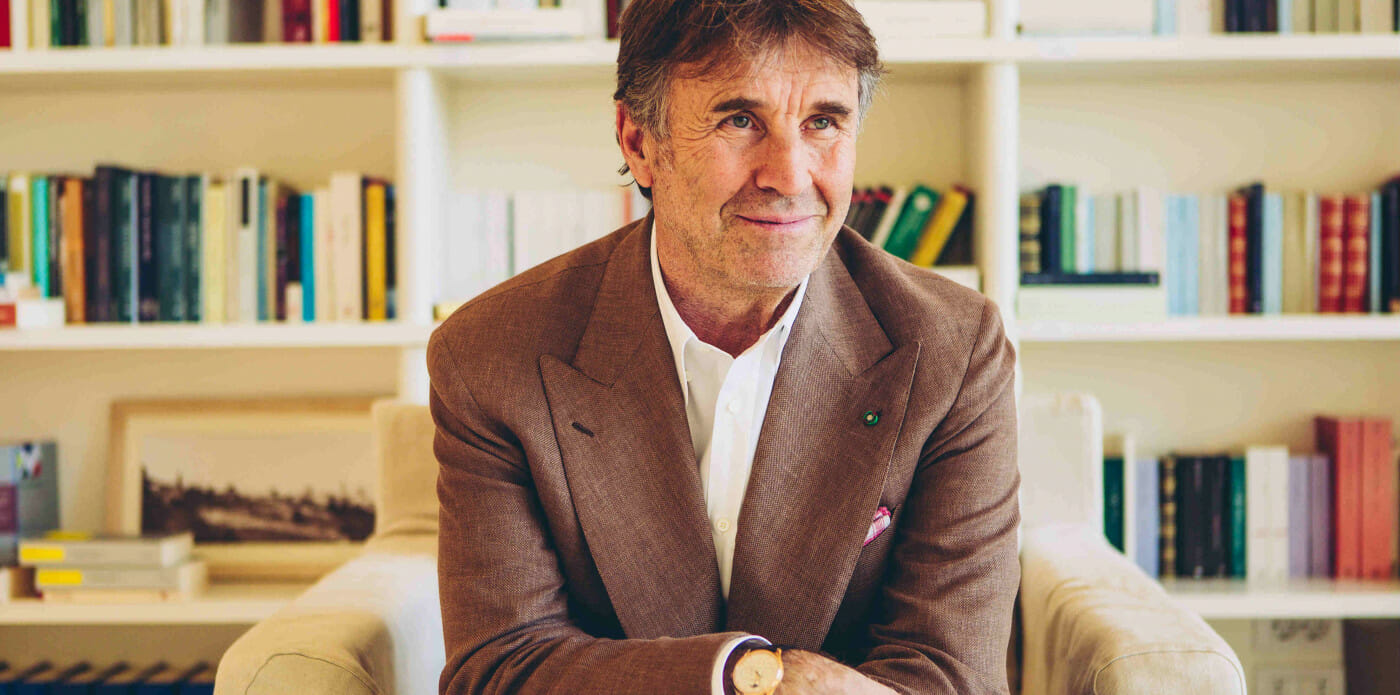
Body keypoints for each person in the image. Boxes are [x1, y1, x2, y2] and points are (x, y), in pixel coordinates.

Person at [427, 1, 1021, 693]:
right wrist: (750, 677)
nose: (789, 176)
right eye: (740, 120)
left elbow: (952, 675)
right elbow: (500, 668)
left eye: (823, 122)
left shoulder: (954, 350)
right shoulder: (490, 356)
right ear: (639, 142)